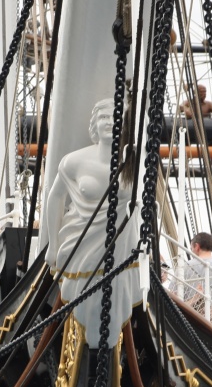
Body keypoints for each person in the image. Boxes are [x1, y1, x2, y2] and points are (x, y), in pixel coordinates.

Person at [44, 98, 141, 348]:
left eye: (114, 117)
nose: (109, 123)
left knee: (116, 302)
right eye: (103, 118)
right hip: (80, 245)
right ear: (94, 125)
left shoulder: (132, 161)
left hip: (120, 249)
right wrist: (53, 246)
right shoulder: (74, 161)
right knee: (83, 300)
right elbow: (55, 198)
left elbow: (143, 205)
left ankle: (105, 348)